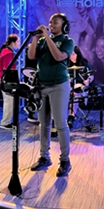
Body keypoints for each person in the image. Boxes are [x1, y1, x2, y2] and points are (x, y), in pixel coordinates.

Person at [26, 13, 75, 177]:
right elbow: (31, 56)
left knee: (60, 123)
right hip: (42, 86)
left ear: (64, 26)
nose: (51, 25)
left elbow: (59, 56)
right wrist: (36, 38)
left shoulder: (68, 41)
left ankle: (65, 160)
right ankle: (44, 157)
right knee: (43, 124)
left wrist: (47, 36)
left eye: (55, 22)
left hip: (59, 86)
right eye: (49, 22)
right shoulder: (41, 40)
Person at [0, 34, 20, 129]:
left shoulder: (6, 51)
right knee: (9, 101)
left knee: (8, 101)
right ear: (13, 42)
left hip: (3, 79)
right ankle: (5, 122)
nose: (19, 44)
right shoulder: (8, 53)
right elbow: (7, 68)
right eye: (18, 41)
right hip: (6, 80)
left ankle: (6, 121)